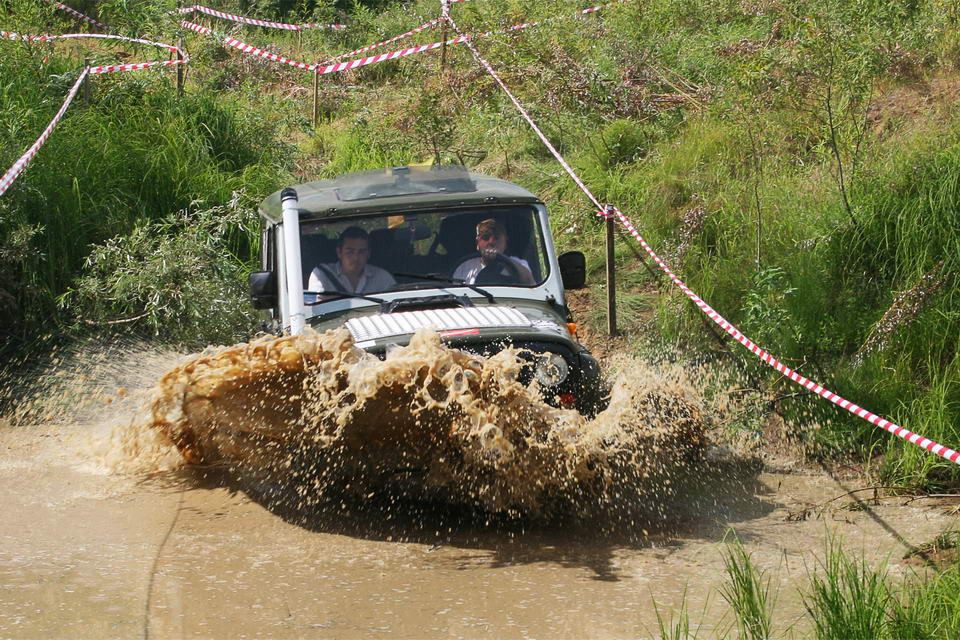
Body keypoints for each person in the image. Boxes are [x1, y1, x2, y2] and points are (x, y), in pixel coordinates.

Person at [307, 226, 396, 295]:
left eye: (361, 252)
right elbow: (317, 308)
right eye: (350, 252)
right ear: (339, 252)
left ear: (368, 254)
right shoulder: (322, 275)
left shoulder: (383, 278)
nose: (356, 258)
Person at [452, 218, 535, 285]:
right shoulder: (464, 266)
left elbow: (528, 281)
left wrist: (503, 260)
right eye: (485, 238)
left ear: (505, 243)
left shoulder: (519, 263)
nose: (491, 242)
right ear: (477, 243)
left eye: (496, 238)